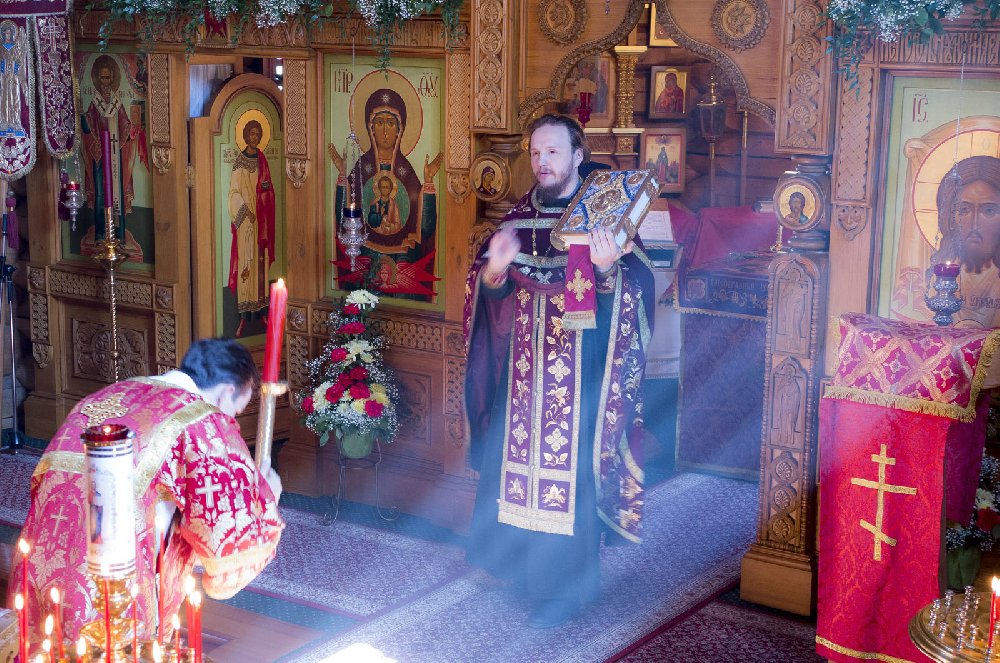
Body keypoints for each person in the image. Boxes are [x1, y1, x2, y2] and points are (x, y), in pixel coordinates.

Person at [463, 113, 654, 629]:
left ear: (577, 155)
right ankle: (522, 574)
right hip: (522, 380)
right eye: (535, 153)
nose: (542, 162)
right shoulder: (518, 221)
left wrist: (608, 269)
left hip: (580, 380)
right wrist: (495, 271)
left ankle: (565, 590)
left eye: (552, 152)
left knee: (571, 478)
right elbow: (490, 300)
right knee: (515, 471)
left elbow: (638, 290)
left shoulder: (603, 219)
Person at [8, 339, 285, 645]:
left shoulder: (107, 396)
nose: (231, 420)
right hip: (113, 584)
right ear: (227, 392)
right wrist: (267, 497)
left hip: (40, 563)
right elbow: (229, 547)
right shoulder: (203, 420)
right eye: (236, 410)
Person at [328, 88, 442, 300]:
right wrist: (343, 176)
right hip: (366, 249)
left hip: (401, 254)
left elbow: (425, 228)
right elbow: (343, 218)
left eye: (391, 123)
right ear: (370, 127)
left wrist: (428, 184)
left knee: (405, 287)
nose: (385, 131)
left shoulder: (405, 171)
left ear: (400, 129)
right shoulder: (362, 167)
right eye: (379, 123)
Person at [930, 155, 1000, 328]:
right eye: (963, 209)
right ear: (949, 216)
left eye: (989, 211)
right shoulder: (935, 279)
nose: (974, 224)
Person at [228, 118, 276, 337]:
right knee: (246, 266)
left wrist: (266, 193)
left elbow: (269, 188)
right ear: (246, 136)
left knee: (261, 265)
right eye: (252, 134)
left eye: (258, 134)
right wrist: (246, 210)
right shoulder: (240, 162)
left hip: (262, 222)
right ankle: (243, 318)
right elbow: (233, 193)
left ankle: (262, 313)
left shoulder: (262, 160)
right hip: (247, 222)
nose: (254, 137)